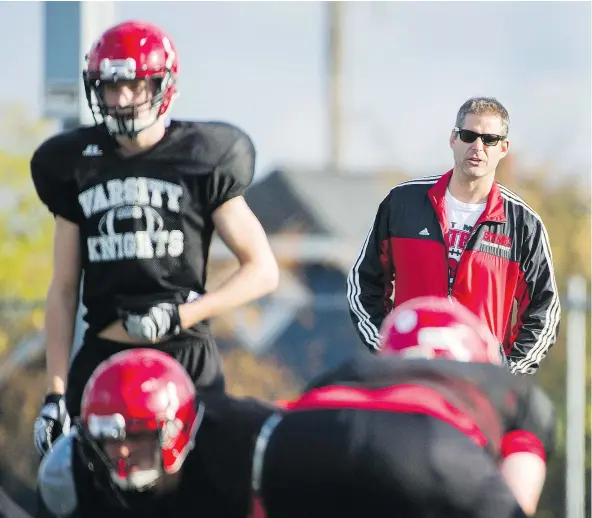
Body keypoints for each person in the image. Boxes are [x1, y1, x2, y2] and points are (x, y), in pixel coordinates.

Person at [31, 20, 279, 457]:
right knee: (84, 491)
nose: (121, 99)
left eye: (133, 85)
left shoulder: (203, 157)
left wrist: (183, 314)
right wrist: (55, 392)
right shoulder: (75, 164)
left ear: (164, 88)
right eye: (110, 87)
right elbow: (65, 288)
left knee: (202, 488)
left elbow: (262, 270)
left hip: (184, 354)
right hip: (105, 356)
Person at [253, 297, 556, 518]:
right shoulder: (496, 382)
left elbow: (282, 419)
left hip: (304, 435)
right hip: (428, 441)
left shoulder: (356, 370)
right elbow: (522, 468)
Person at [346, 96, 560, 375]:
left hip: (479, 386)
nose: (478, 147)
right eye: (469, 135)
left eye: (490, 139)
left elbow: (544, 311)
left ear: (504, 148)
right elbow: (364, 286)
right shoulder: (403, 202)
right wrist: (390, 351)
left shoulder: (523, 223)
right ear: (453, 139)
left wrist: (506, 375)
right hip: (411, 376)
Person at [37, 348, 279, 518]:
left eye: (136, 435)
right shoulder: (77, 476)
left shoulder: (237, 451)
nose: (122, 449)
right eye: (110, 437)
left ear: (176, 429)